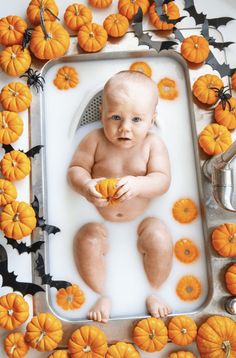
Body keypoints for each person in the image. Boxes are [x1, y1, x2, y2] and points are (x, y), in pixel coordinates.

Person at [68, 70, 173, 323]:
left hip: (143, 218)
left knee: (159, 237)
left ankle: (154, 291)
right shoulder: (93, 140)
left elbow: (162, 181)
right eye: (115, 117)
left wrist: (139, 184)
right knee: (86, 240)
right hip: (98, 217)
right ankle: (101, 293)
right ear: (102, 112)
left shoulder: (152, 145)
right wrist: (86, 186)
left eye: (137, 119)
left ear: (152, 120)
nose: (124, 128)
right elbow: (75, 170)